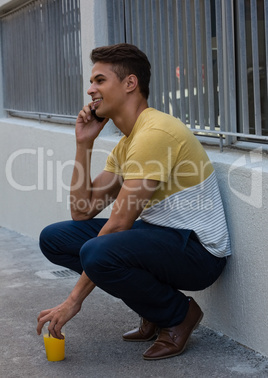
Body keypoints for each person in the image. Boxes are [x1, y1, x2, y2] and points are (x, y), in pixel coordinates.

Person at [36, 43, 231, 360]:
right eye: (92, 82)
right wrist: (83, 144)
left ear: (129, 83)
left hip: (200, 253)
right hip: (164, 237)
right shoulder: (128, 143)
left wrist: (72, 300)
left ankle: (178, 315)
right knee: (56, 239)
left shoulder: (154, 133)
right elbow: (82, 211)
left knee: (99, 250)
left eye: (100, 80)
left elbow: (117, 227)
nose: (90, 90)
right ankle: (153, 309)